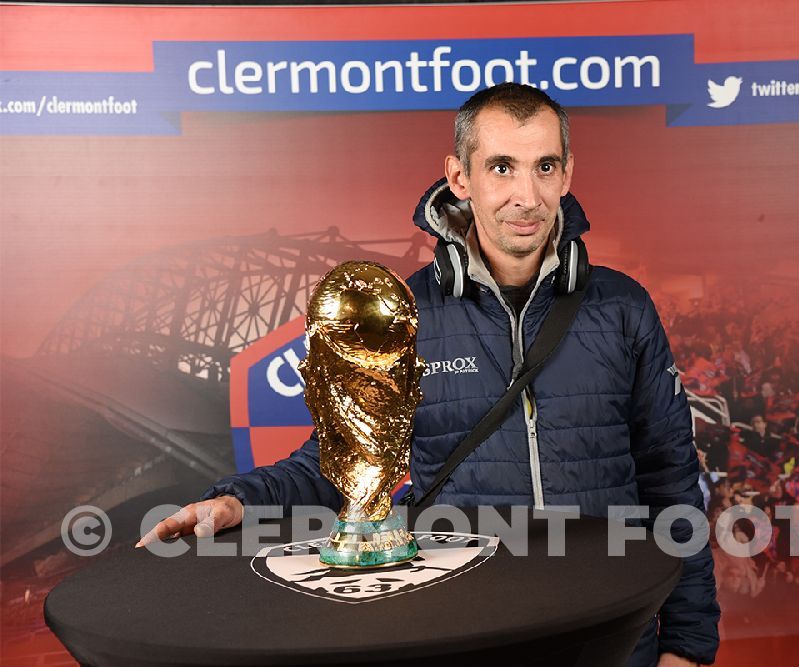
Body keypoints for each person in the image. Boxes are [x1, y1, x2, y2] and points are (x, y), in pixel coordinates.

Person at [138, 83, 720, 666]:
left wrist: (688, 647)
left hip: (616, 639)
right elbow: (341, 461)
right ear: (460, 177)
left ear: (568, 173)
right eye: (502, 167)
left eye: (545, 166)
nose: (528, 195)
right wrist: (238, 500)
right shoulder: (406, 314)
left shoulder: (623, 307)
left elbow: (672, 483)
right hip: (471, 632)